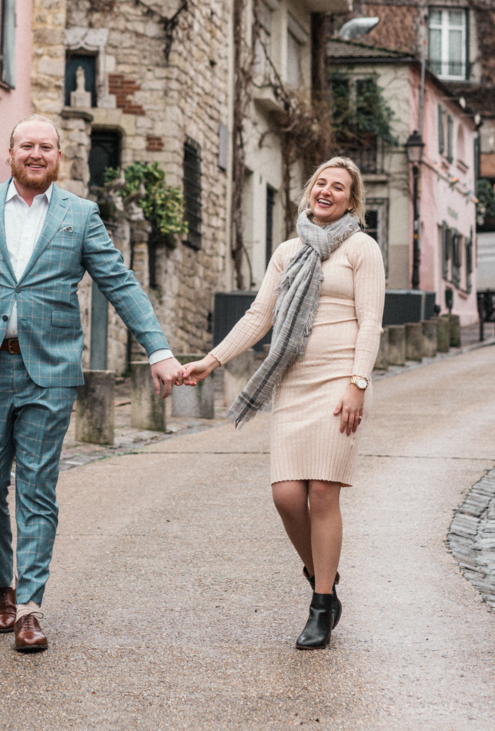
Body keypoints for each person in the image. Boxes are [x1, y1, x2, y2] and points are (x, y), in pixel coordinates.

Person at [0, 116, 184, 654]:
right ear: (10, 152)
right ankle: (3, 584)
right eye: (26, 146)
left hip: (50, 370)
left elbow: (119, 282)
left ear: (59, 155)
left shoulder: (80, 215)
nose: (36, 154)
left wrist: (158, 348)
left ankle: (31, 608)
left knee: (37, 487)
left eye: (46, 146)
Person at [182, 157, 385, 650]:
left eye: (338, 187)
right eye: (321, 182)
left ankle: (319, 607)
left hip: (340, 380)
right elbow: (260, 317)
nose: (327, 191)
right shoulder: (289, 251)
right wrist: (212, 361)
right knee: (286, 496)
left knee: (322, 493)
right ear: (310, 190)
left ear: (351, 201)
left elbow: (370, 321)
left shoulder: (362, 248)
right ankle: (324, 577)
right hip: (293, 381)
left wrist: (358, 382)